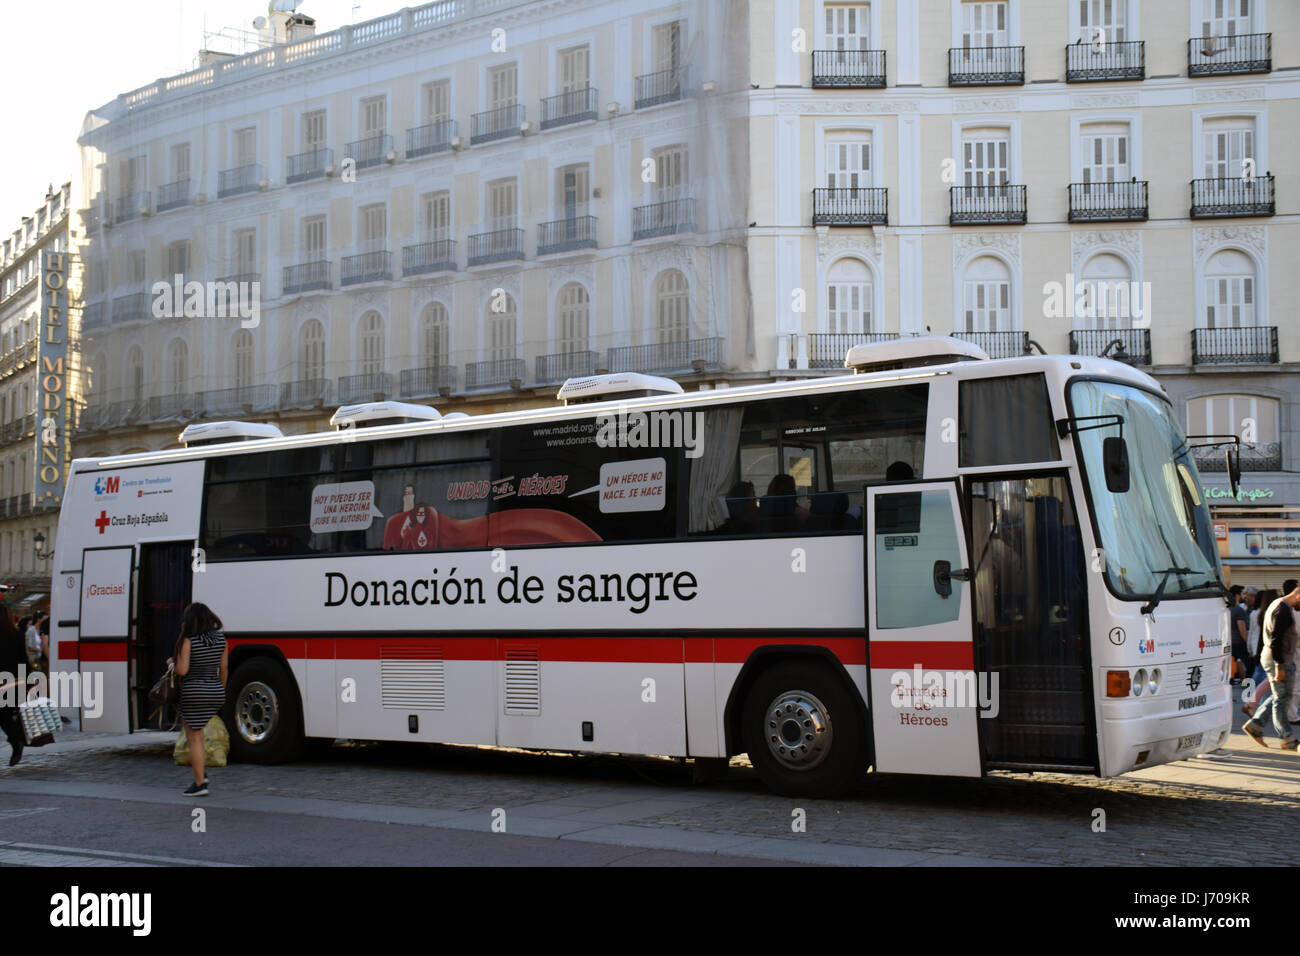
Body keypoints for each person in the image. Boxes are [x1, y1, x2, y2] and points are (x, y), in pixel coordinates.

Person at [170, 603, 229, 796]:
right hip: (215, 691)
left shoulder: (189, 641)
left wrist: (171, 663)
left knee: (194, 738)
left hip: (194, 692)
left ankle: (200, 783)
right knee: (200, 736)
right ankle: (200, 770)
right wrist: (220, 688)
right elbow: (224, 668)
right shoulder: (221, 639)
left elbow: (182, 670)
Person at [1242, 581, 1300, 751]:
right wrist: (1280, 666)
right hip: (1278, 659)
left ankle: (1256, 724)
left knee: (1280, 696)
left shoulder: (1278, 605)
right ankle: (1287, 738)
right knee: (1282, 698)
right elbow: (1276, 639)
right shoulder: (1282, 610)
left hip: (1276, 657)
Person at [1243, 589, 1278, 718]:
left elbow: (1251, 631)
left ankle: (1248, 698)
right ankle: (1256, 702)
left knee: (1255, 673)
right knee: (1266, 678)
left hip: (1257, 646)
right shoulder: (1273, 613)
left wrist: (1250, 647)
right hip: (1267, 647)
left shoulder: (1256, 613)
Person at [0, 603, 27, 766]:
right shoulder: (17, 634)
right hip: (14, 681)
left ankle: (15, 740)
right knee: (5, 714)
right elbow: (23, 659)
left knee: (3, 716)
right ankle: (15, 740)